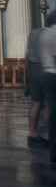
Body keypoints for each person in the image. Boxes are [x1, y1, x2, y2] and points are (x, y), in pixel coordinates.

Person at [36, 11, 56, 163]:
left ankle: (52, 147)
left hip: (45, 73)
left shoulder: (43, 34)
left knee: (51, 110)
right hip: (54, 74)